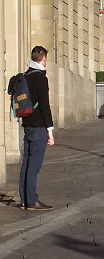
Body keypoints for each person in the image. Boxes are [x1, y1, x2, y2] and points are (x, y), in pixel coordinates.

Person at [19, 45, 55, 211]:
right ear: (43, 58)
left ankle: (24, 199)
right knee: (35, 163)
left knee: (27, 161)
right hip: (39, 125)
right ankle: (32, 200)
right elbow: (44, 105)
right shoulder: (40, 78)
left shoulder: (26, 75)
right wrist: (50, 129)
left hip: (27, 122)